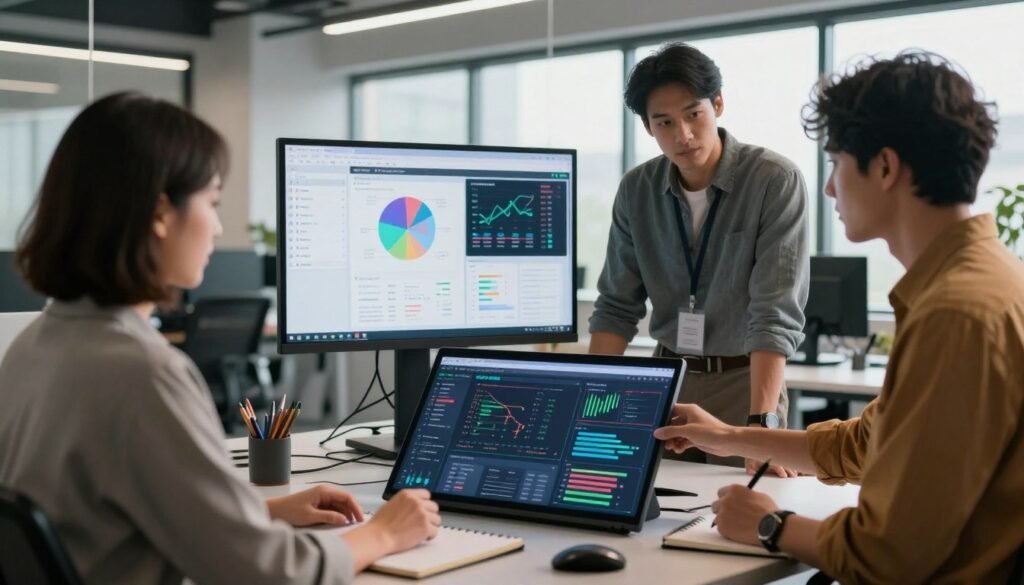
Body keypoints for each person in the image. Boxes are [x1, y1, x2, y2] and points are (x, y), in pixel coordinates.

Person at [0, 92, 440, 585]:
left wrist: (263, 513)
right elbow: (267, 574)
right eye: (211, 201)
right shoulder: (141, 373)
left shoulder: (33, 346)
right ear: (161, 214)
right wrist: (383, 533)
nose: (218, 226)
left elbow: (105, 518)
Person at [654, 51, 1024, 583]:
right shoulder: (984, 280)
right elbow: (862, 446)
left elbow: (891, 554)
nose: (829, 188)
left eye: (836, 164)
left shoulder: (957, 314)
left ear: (885, 167)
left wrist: (769, 525)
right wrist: (729, 437)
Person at [589, 42, 809, 476]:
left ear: (719, 105)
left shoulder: (772, 180)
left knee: (743, 508)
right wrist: (589, 400)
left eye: (694, 115)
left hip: (745, 382)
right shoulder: (637, 190)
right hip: (668, 378)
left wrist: (761, 425)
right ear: (649, 128)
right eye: (664, 122)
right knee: (652, 510)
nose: (683, 135)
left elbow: (774, 312)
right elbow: (616, 306)